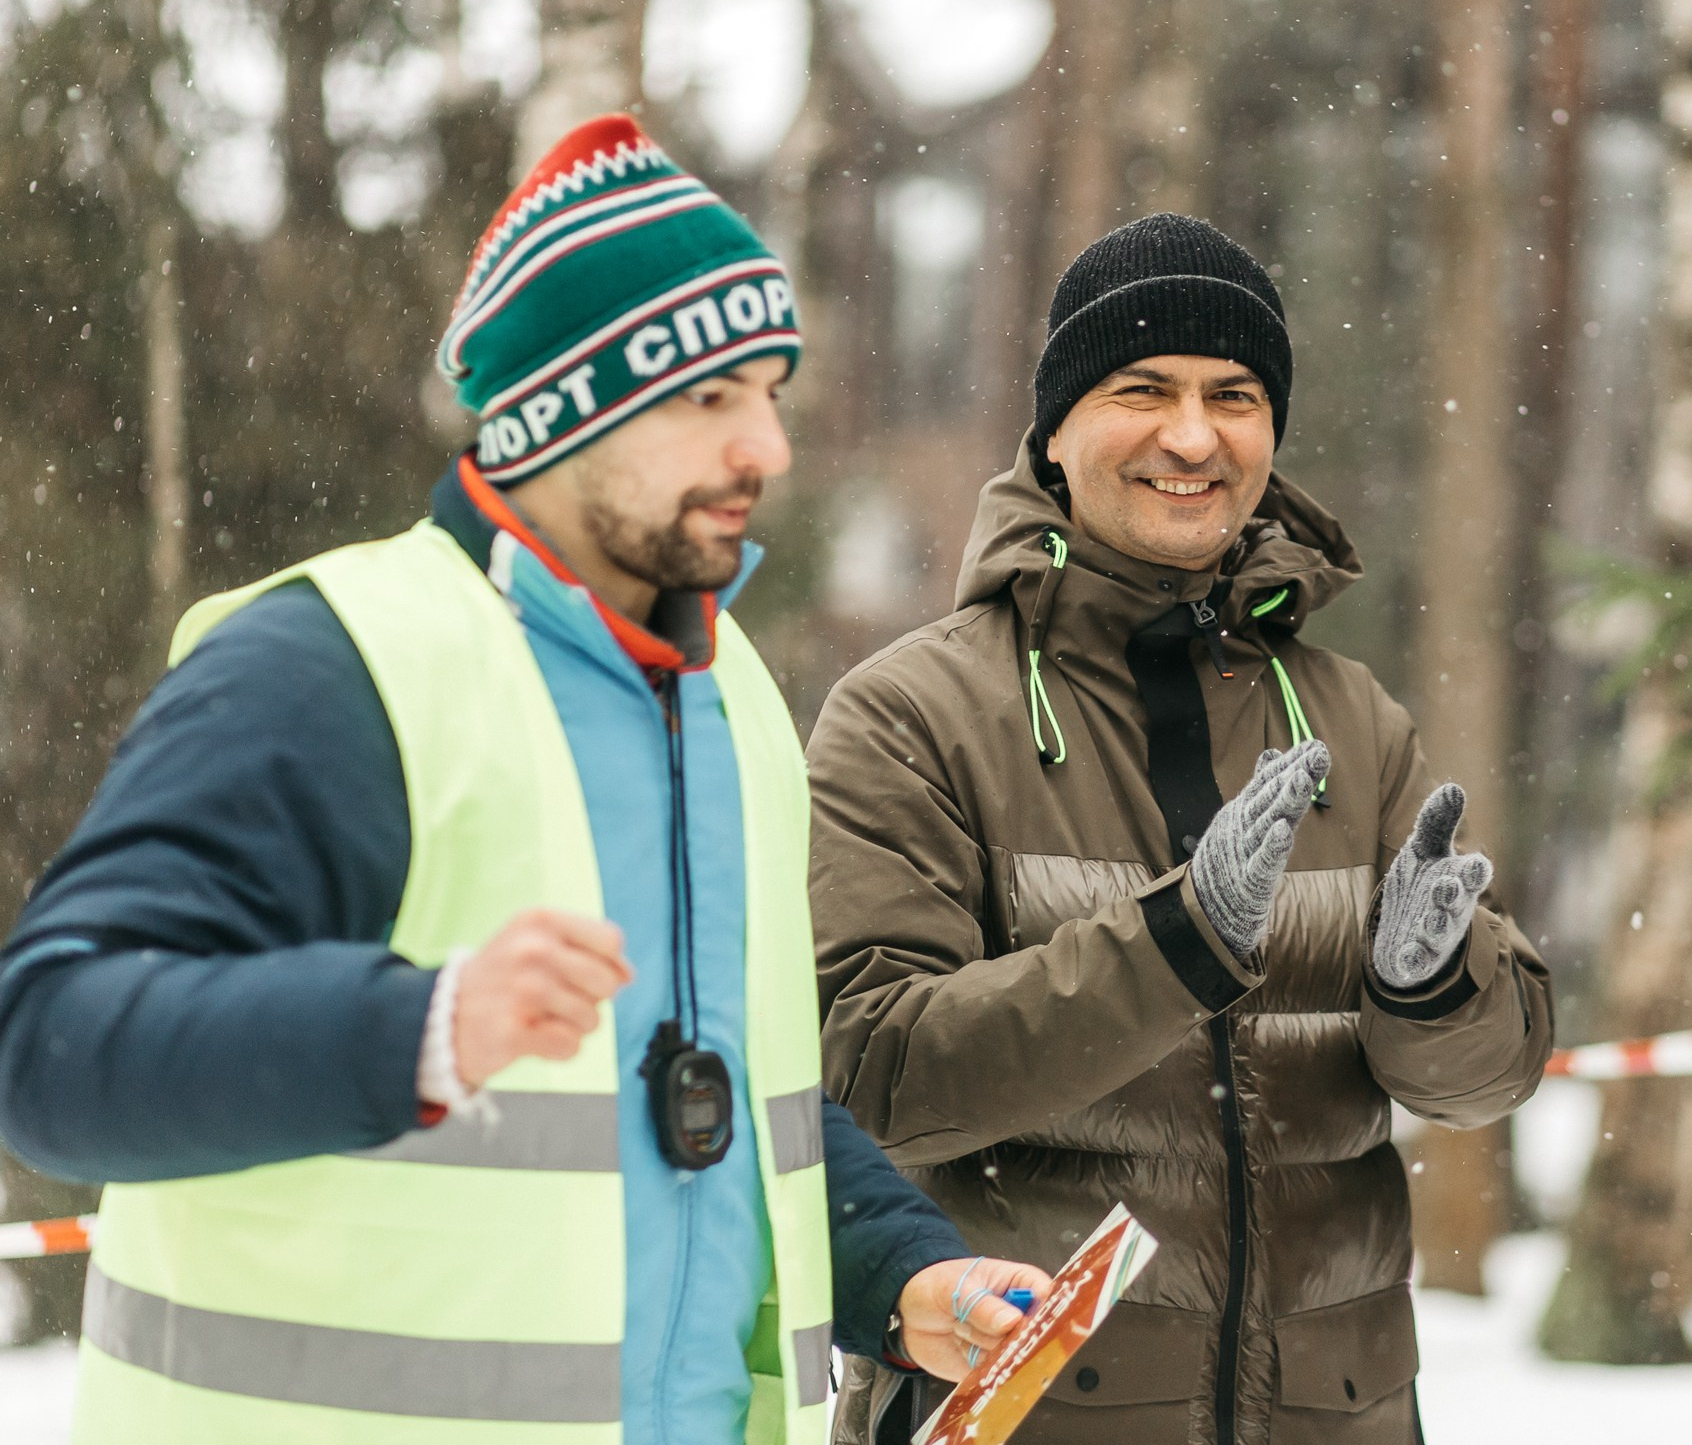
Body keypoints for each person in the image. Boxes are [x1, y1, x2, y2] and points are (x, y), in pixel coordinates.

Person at [0, 114, 1048, 1445]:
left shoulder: (731, 704)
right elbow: (51, 1049)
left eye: (772, 396)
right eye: (710, 398)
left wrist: (899, 1270)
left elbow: (726, 1102)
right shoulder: (327, 667)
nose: (768, 452)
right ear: (565, 412)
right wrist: (413, 1031)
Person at [807, 212, 1554, 1445]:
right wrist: (1174, 947)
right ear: (1055, 428)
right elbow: (870, 1079)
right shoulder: (910, 715)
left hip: (1337, 1413)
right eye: (1142, 389)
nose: (1193, 436)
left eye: (1236, 394)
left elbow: (1486, 1084)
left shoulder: (1351, 718)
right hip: (1033, 1412)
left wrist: (1436, 991)